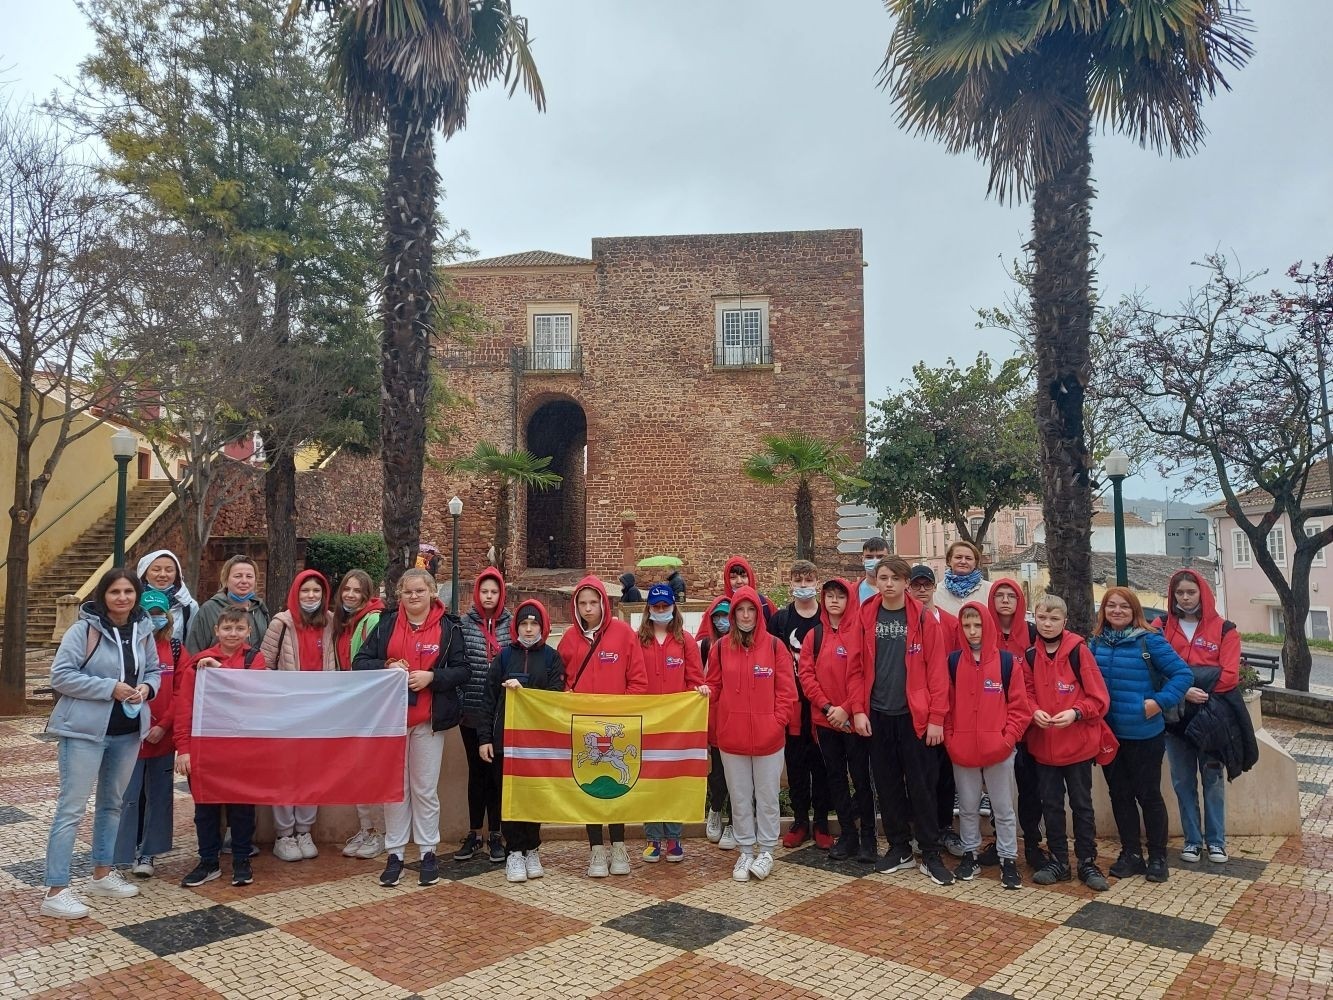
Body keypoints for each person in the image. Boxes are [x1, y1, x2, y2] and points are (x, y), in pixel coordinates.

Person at [40, 569, 162, 919]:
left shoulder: (144, 630)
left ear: (137, 595)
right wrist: (110, 687)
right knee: (71, 809)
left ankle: (102, 874)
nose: (122, 598)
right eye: (114, 592)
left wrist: (147, 689)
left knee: (112, 804)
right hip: (84, 731)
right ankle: (56, 890)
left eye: (128, 591)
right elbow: (61, 676)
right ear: (103, 595)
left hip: (127, 732)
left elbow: (153, 671)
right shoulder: (84, 630)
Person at [354, 568, 469, 889]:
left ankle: (428, 851)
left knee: (424, 789)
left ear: (432, 593)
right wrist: (386, 666)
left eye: (419, 591)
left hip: (429, 722)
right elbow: (360, 662)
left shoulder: (449, 627)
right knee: (395, 790)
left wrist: (432, 678)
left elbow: (463, 670)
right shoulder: (386, 624)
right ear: (399, 595)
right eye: (407, 592)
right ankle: (395, 854)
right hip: (391, 721)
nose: (413, 597)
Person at [859, 555, 955, 886]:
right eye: (883, 577)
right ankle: (899, 847)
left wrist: (936, 718)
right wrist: (859, 709)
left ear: (905, 583)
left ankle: (929, 852)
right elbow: (857, 667)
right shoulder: (866, 614)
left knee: (922, 787)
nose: (888, 584)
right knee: (886, 786)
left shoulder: (924, 618)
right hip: (879, 714)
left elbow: (938, 672)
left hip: (916, 717)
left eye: (895, 579)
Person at [1089, 586, 1192, 883]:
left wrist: (1157, 702)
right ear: (1104, 611)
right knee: (1119, 795)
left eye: (1124, 606)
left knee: (1148, 796)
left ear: (1135, 610)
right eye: (1111, 606)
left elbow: (1182, 675)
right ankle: (1131, 853)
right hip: (1110, 736)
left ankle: (1158, 857)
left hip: (1145, 734)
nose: (1117, 611)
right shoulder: (1097, 643)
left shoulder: (1150, 641)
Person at [1158, 568, 1257, 865]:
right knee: (1182, 781)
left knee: (1212, 779)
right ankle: (1192, 841)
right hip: (1176, 718)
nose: (1185, 598)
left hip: (1212, 718)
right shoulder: (1161, 626)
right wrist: (1184, 688)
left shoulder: (1225, 629)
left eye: (1191, 592)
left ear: (1203, 592)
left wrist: (1181, 679)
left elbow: (1229, 676)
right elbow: (1153, 669)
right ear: (1172, 596)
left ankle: (1216, 841)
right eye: (1180, 593)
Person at [557, 575, 648, 877]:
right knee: (589, 785)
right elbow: (563, 680)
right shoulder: (569, 638)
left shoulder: (623, 634)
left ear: (603, 604)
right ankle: (596, 848)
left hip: (616, 726)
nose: (588, 609)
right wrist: (567, 696)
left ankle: (619, 844)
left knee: (617, 785)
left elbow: (638, 681)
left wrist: (621, 711)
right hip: (584, 728)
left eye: (593, 603)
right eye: (582, 604)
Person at [1023, 594, 1111, 892]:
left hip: (1077, 745)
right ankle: (1059, 860)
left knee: (1082, 804)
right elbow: (1026, 692)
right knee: (1051, 805)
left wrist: (1076, 712)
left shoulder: (1079, 652)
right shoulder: (1031, 655)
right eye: (1042, 618)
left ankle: (1087, 861)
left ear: (1065, 621)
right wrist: (1033, 710)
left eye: (1054, 619)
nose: (1047, 624)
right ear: (1035, 618)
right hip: (1045, 746)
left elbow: (1098, 698)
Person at [709, 586, 797, 882]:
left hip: (768, 739)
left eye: (751, 610)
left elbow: (787, 693)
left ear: (759, 614)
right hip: (732, 738)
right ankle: (746, 848)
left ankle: (767, 849)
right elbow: (714, 688)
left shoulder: (775, 647)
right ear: (733, 615)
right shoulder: (721, 648)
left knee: (768, 796)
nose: (746, 616)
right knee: (740, 796)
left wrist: (776, 722)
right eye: (740, 611)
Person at [176, 606, 267, 888]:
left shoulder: (256, 660)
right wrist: (184, 748)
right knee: (205, 808)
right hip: (206, 749)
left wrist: (222, 670)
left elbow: (255, 696)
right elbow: (184, 708)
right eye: (227, 628)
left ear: (249, 631)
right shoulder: (199, 663)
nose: (233, 634)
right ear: (216, 631)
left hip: (243, 748)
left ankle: (241, 858)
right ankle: (208, 860)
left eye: (239, 628)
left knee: (242, 807)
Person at [478, 600, 566, 883]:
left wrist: (525, 691)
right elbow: (488, 700)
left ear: (542, 626)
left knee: (534, 795)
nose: (529, 630)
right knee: (510, 796)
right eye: (524, 624)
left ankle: (532, 847)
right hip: (506, 740)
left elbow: (554, 698)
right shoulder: (504, 658)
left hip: (537, 743)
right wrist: (484, 738)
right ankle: (514, 849)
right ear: (517, 628)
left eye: (534, 624)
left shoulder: (552, 659)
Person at [946, 603, 1032, 889]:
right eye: (967, 626)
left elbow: (1020, 708)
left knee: (1003, 808)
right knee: (968, 808)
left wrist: (1008, 739)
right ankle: (969, 854)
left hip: (999, 750)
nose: (972, 631)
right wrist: (951, 738)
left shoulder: (1007, 663)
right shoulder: (953, 662)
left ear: (988, 626)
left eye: (977, 625)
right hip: (963, 749)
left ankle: (1008, 859)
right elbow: (946, 706)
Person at [260, 569, 337, 862]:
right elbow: (264, 664)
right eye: (305, 591)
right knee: (285, 772)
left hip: (319, 712)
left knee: (311, 773)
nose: (311, 596)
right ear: (295, 593)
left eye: (317, 591)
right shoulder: (281, 623)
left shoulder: (331, 622)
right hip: (286, 712)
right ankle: (284, 834)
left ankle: (304, 830)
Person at [798, 578, 875, 863]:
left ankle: (868, 837)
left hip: (853, 721)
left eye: (840, 597)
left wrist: (847, 708)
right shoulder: (814, 636)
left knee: (861, 780)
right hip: (826, 721)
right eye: (829, 596)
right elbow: (806, 676)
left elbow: (864, 674)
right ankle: (848, 835)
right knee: (836, 780)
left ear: (849, 600)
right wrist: (828, 707)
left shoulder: (860, 633)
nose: (834, 601)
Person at [114, 590, 183, 880]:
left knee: (159, 795)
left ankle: (148, 852)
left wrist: (164, 725)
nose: (154, 618)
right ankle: (120, 853)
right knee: (126, 796)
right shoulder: (127, 645)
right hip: (130, 735)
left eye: (159, 613)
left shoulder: (176, 648)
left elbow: (182, 691)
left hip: (161, 736)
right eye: (149, 612)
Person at [637, 583, 708, 863]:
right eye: (657, 607)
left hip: (678, 726)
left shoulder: (685, 640)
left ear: (673, 607)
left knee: (674, 781)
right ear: (649, 609)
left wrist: (698, 692)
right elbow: (633, 679)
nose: (662, 610)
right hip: (648, 725)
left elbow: (695, 679)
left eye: (666, 606)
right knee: (651, 781)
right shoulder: (638, 640)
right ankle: (653, 837)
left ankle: (674, 837)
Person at [982, 580, 1049, 871]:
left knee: (1030, 789)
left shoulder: (1034, 634)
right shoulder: (983, 633)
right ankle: (1000, 842)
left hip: (1030, 726)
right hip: (995, 726)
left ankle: (1033, 844)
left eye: (1012, 596)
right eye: (1000, 595)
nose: (1006, 601)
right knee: (998, 791)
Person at [770, 559, 832, 850]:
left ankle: (821, 821)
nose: (804, 586)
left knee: (822, 765)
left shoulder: (828, 618)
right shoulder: (780, 621)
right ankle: (799, 821)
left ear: (817, 583)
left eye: (809, 581)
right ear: (790, 583)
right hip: (792, 705)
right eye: (799, 581)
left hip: (822, 704)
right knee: (795, 765)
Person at [908, 564, 965, 859]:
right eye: (915, 585)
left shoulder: (952, 624)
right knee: (920, 776)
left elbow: (958, 667)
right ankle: (923, 830)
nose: (920, 590)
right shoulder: (904, 623)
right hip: (915, 713)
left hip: (947, 712)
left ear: (933, 587)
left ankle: (943, 827)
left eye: (925, 585)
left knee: (945, 775)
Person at [331, 569, 387, 860]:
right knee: (358, 772)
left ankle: (380, 831)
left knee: (371, 772)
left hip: (369, 706)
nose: (351, 595)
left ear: (366, 594)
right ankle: (366, 828)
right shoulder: (344, 622)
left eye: (357, 591)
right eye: (346, 590)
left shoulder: (373, 620)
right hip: (351, 704)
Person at [457, 568, 511, 864]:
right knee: (476, 774)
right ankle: (475, 832)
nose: (489, 597)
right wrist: (464, 703)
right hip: (473, 713)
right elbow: (458, 663)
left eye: (494, 592)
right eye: (484, 592)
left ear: (501, 594)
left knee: (497, 776)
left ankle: (496, 834)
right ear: (477, 594)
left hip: (501, 714)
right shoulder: (465, 625)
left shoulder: (511, 623)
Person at [698, 597, 735, 849]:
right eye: (717, 617)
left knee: (739, 777)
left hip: (738, 718)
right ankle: (715, 809)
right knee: (719, 774)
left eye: (725, 616)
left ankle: (734, 822)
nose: (721, 622)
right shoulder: (705, 646)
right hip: (715, 718)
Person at [186, 555, 271, 654]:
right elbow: (194, 650)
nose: (244, 581)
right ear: (226, 580)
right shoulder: (209, 609)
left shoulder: (260, 609)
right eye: (238, 576)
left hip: (256, 668)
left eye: (249, 576)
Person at [137, 548, 199, 645]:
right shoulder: (132, 602)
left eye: (169, 570)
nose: (162, 574)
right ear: (144, 573)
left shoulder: (188, 606)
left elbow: (192, 643)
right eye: (156, 570)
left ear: (177, 574)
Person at [933, 540, 992, 617]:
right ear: (949, 561)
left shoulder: (990, 590)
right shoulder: (936, 592)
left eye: (968, 558)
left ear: (976, 563)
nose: (963, 561)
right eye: (958, 557)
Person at [720, 555, 777, 623]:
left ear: (750, 577)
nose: (739, 581)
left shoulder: (765, 605)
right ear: (727, 580)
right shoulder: (720, 607)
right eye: (733, 577)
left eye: (743, 576)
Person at [858, 536, 890, 603]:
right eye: (869, 557)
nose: (875, 561)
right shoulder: (852, 591)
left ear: (889, 558)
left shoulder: (899, 590)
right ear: (862, 559)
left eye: (880, 557)